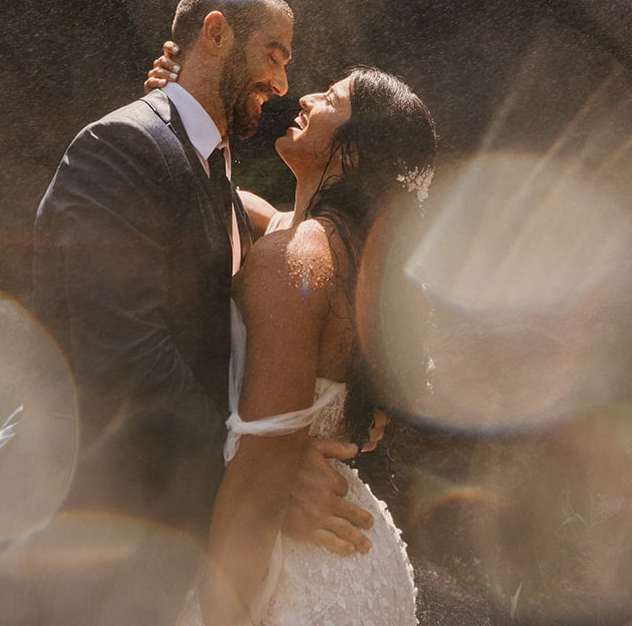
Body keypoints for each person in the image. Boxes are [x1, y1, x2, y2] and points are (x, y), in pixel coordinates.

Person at [30, 0, 376, 624]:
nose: (281, 83)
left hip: (175, 533)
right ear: (215, 33)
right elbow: (127, 358)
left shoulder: (211, 170)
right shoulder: (123, 146)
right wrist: (258, 465)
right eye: (272, 53)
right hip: (104, 520)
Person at [145, 51, 437, 626]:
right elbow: (219, 194)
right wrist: (179, 107)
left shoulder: (297, 260)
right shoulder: (359, 269)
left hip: (285, 573)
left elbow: (256, 483)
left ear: (352, 151)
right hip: (361, 568)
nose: (305, 98)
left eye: (331, 99)